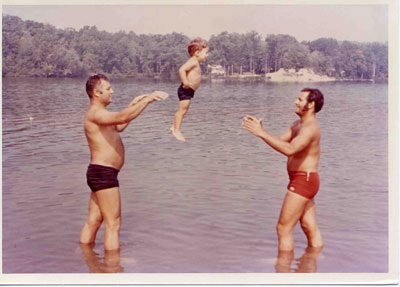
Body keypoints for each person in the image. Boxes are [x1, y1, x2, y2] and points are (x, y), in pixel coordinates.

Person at [80, 74, 168, 251]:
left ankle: (85, 257)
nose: (112, 91)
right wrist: (147, 100)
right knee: (114, 224)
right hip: (103, 174)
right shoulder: (96, 114)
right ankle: (112, 266)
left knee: (94, 221)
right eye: (108, 89)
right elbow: (121, 118)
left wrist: (133, 105)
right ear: (97, 93)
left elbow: (119, 125)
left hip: (100, 172)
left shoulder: (101, 115)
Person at [242, 88, 324, 252]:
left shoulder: (310, 128)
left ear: (311, 104)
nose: (296, 101)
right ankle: (314, 261)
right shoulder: (297, 124)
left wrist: (262, 133)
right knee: (309, 226)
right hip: (304, 180)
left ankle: (283, 268)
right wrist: (261, 130)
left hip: (303, 181)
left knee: (283, 228)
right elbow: (280, 142)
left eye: (300, 99)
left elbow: (290, 150)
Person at [171, 39, 209, 142]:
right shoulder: (193, 61)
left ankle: (174, 126)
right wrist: (186, 82)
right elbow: (181, 70)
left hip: (189, 91)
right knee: (182, 111)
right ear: (197, 53)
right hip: (186, 90)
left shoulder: (195, 62)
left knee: (183, 110)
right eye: (205, 53)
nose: (207, 55)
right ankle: (176, 130)